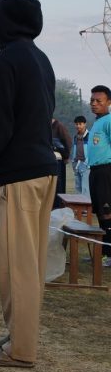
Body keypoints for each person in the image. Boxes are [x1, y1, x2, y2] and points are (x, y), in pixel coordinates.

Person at [0, 0, 57, 369]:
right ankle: (19, 337)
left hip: (19, 173)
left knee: (15, 265)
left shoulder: (5, 60)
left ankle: (21, 349)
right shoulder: (41, 59)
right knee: (31, 263)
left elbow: (0, 124)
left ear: (6, 22)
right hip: (44, 168)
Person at [86, 88, 111, 263]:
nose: (94, 104)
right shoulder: (97, 122)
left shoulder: (109, 121)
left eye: (98, 101)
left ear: (108, 102)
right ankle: (103, 252)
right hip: (95, 171)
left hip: (105, 171)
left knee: (107, 212)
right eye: (92, 101)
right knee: (101, 213)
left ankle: (109, 254)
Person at [51, 117, 72, 206]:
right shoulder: (46, 127)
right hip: (50, 161)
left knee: (58, 185)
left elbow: (68, 141)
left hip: (59, 160)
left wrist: (66, 156)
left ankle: (58, 206)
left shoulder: (59, 126)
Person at [71, 115, 90, 194]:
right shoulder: (75, 137)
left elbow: (92, 151)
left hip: (86, 165)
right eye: (76, 124)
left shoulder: (90, 136)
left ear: (85, 124)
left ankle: (87, 202)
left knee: (85, 189)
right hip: (77, 164)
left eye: (80, 124)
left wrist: (88, 163)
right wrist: (73, 162)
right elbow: (74, 150)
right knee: (78, 188)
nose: (78, 126)